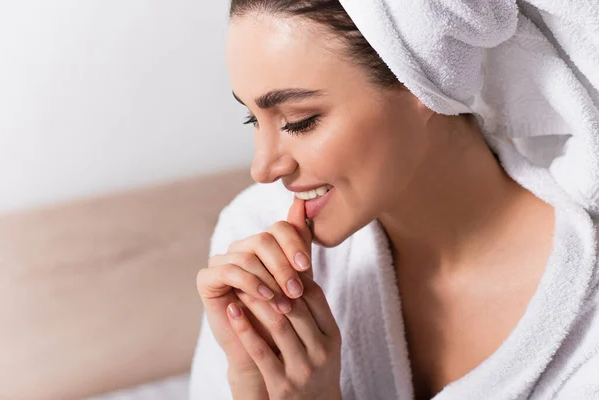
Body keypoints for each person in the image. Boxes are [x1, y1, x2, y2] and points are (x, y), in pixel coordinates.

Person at [190, 1, 599, 399]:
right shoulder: (253, 244)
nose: (263, 168)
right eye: (252, 119)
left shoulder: (587, 328)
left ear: (420, 79)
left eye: (300, 121)